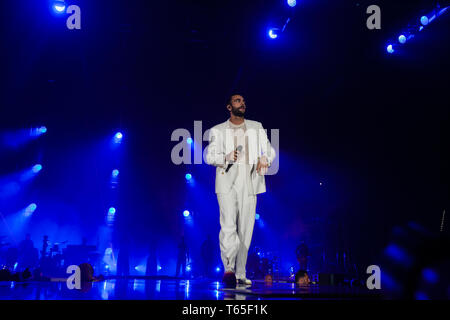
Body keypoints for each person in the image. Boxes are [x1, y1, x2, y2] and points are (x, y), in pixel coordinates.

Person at [206, 93, 276, 287]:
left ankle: (240, 272)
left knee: (246, 229)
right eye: (238, 101)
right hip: (227, 180)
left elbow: (269, 149)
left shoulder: (256, 126)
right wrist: (226, 156)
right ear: (229, 107)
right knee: (228, 225)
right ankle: (228, 269)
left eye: (244, 101)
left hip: (250, 179)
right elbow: (209, 156)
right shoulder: (218, 130)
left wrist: (266, 158)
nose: (242, 103)